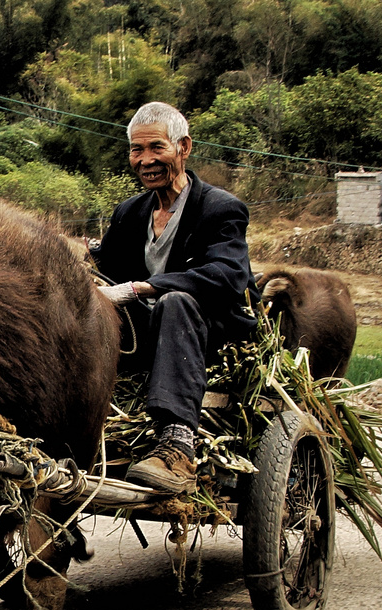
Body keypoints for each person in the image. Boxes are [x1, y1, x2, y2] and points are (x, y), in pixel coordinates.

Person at [93, 101, 257, 495]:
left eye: (156, 148)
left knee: (175, 301)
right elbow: (105, 270)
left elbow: (228, 275)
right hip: (151, 339)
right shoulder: (130, 213)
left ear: (183, 148)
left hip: (210, 337)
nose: (145, 160)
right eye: (137, 150)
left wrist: (144, 287)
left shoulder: (220, 208)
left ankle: (178, 442)